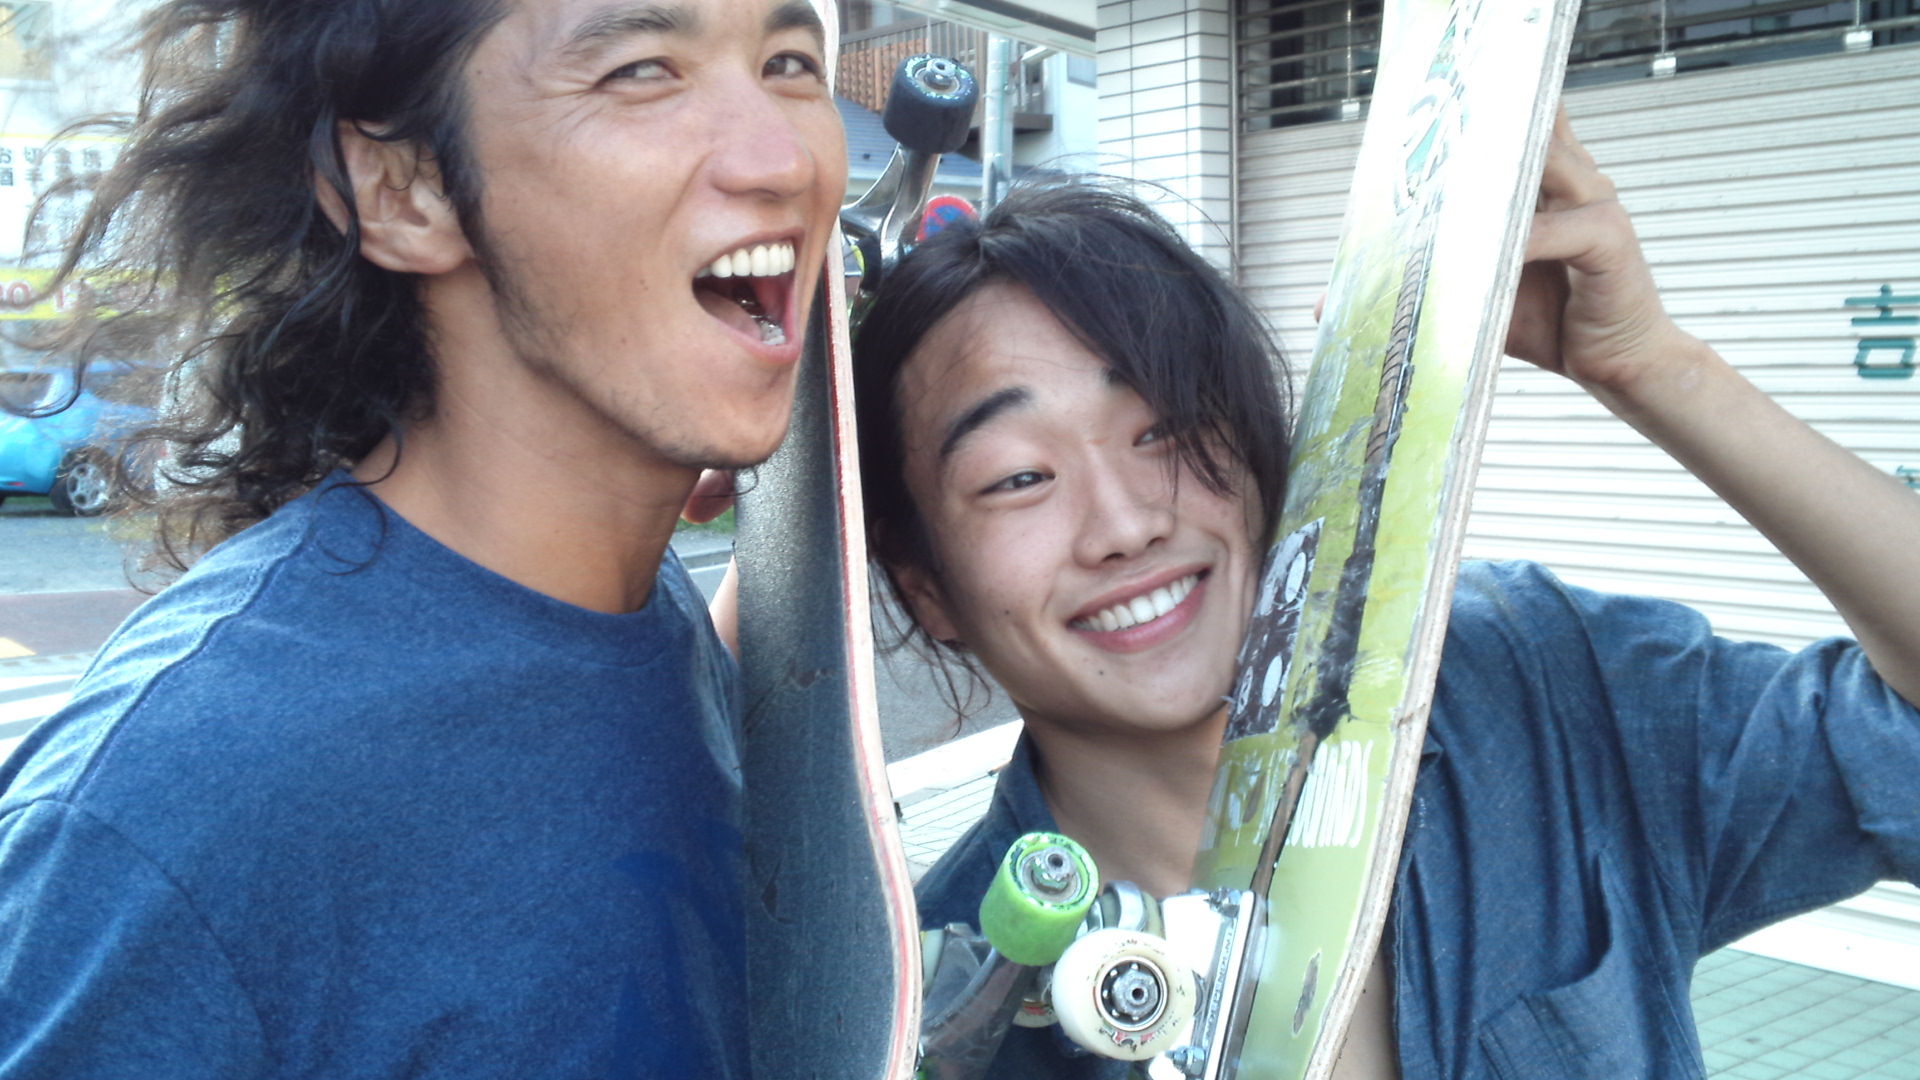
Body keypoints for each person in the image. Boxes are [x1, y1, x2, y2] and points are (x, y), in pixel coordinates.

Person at [850, 121, 1920, 1077]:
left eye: (1164, 427)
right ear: (926, 585)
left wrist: (1655, 368)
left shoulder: (1525, 677)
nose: (1125, 524)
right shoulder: (927, 1023)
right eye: (1018, 477)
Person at [0, 0, 844, 1074]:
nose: (783, 159)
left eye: (788, 62)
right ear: (402, 191)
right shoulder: (173, 810)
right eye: (641, 70)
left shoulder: (646, 614)